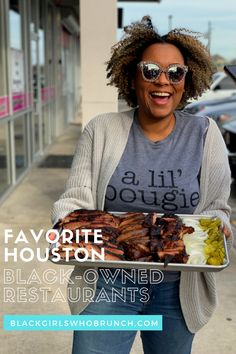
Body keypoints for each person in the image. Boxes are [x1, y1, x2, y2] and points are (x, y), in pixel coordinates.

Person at [51, 16, 233, 354]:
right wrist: (72, 226)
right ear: (132, 77)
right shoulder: (101, 130)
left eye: (175, 72)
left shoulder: (205, 135)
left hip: (177, 289)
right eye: (151, 70)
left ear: (186, 79)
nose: (163, 80)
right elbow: (73, 202)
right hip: (109, 282)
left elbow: (217, 209)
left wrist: (217, 228)